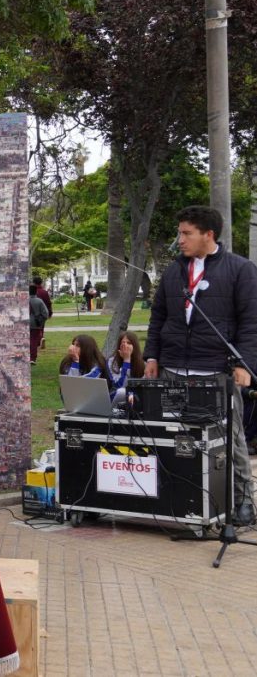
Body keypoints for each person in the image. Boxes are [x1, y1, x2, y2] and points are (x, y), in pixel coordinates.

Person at [144, 205, 257, 525]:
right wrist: (152, 356)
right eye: (179, 233)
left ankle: (243, 500)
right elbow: (159, 316)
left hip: (216, 369)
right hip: (174, 368)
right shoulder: (173, 270)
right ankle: (179, 496)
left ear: (209, 235)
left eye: (186, 233)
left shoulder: (240, 269)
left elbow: (251, 323)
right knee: (175, 436)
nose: (180, 239)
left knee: (231, 438)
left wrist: (244, 364)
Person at [108, 330, 144, 404]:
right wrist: (126, 360)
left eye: (129, 343)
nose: (125, 346)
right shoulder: (112, 361)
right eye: (123, 343)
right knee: (122, 391)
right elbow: (120, 386)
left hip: (136, 397)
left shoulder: (143, 363)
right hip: (116, 397)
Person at [29, 284, 49, 365]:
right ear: (36, 291)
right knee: (33, 341)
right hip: (35, 324)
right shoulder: (39, 301)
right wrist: (41, 321)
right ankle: (32, 358)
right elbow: (45, 313)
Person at [33, 275, 52, 349]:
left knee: (34, 328)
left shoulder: (32, 292)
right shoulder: (44, 292)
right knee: (41, 327)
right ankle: (41, 339)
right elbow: (48, 303)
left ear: (34, 283)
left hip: (33, 313)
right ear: (41, 283)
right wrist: (50, 313)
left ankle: (38, 341)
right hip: (43, 313)